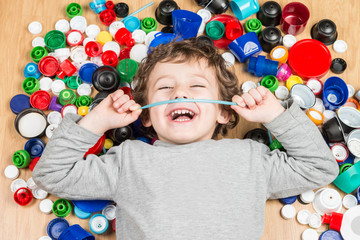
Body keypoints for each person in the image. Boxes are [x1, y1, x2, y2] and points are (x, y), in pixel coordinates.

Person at [33, 39, 338, 240]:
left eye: (196, 85)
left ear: (224, 112)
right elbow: (52, 175)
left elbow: (320, 168)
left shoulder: (250, 158)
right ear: (146, 116)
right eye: (165, 88)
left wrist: (276, 116)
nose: (180, 93)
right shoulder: (129, 160)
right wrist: (97, 121)